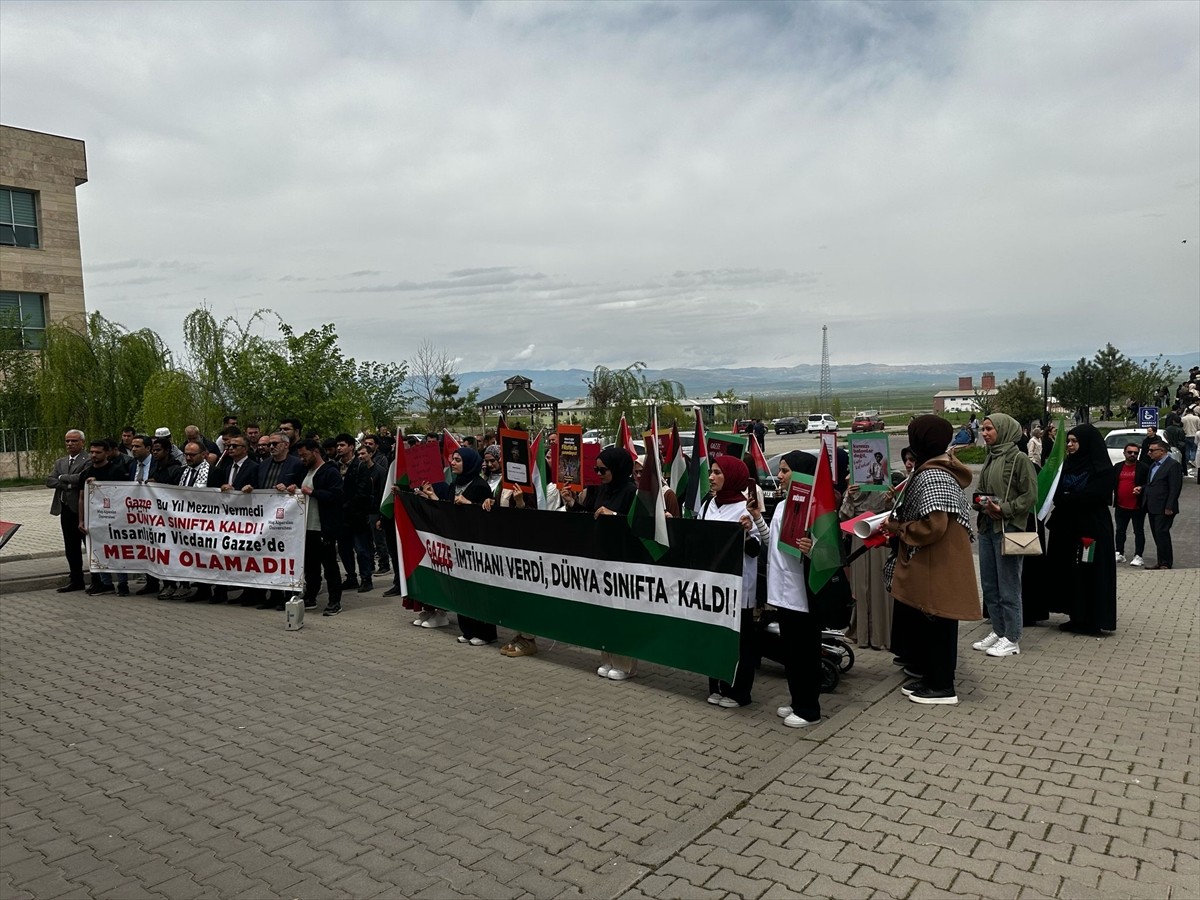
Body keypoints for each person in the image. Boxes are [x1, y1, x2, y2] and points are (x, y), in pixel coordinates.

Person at [881, 416, 980, 705]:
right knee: (934, 623)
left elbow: (933, 526)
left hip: (938, 564)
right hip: (939, 563)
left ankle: (941, 687)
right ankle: (932, 676)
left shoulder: (932, 475)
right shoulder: (938, 469)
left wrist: (900, 529)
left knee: (938, 623)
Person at [562, 446, 640, 680]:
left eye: (603, 469)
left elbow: (638, 525)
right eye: (596, 469)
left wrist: (614, 517)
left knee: (621, 612)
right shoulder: (601, 489)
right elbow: (589, 516)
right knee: (603, 611)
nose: (599, 474)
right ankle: (607, 657)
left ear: (617, 468)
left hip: (622, 559)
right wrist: (572, 503)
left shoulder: (631, 492)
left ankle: (625, 663)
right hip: (601, 557)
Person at [759, 451, 823, 727]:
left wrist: (814, 550)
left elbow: (831, 549)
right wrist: (757, 521)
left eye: (785, 470)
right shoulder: (787, 504)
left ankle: (810, 709)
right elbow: (774, 542)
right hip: (782, 593)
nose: (780, 475)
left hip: (802, 594)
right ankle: (797, 700)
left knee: (805, 653)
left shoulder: (816, 506)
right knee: (791, 653)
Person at [698, 455, 762, 709]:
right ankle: (716, 684)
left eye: (717, 473)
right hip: (712, 586)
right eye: (711, 472)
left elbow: (756, 549)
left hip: (738, 589)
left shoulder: (744, 509)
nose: (711, 478)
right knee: (715, 637)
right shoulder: (708, 505)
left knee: (739, 642)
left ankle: (739, 692)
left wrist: (745, 535)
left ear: (732, 477)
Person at [971, 414, 1037, 659]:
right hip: (988, 528)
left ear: (1004, 430)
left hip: (1009, 531)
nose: (985, 433)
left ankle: (1012, 637)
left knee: (1009, 587)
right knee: (990, 586)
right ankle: (999, 631)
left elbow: (1030, 496)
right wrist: (980, 503)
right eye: (984, 429)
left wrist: (1005, 509)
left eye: (989, 429)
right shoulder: (991, 457)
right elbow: (980, 491)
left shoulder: (1018, 458)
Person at [416, 447, 495, 641]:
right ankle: (468, 630)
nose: (453, 463)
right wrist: (432, 497)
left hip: (475, 546)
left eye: (458, 460)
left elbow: (486, 515)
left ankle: (485, 633)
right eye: (452, 459)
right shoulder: (455, 484)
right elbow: (449, 510)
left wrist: (469, 504)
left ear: (468, 463)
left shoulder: (479, 485)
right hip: (457, 545)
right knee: (462, 588)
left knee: (477, 590)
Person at [1045, 424, 1116, 634]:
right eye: (1069, 441)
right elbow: (1057, 493)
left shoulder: (1101, 468)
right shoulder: (1067, 465)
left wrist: (1069, 498)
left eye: (1074, 441)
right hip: (1067, 527)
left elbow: (1094, 496)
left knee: (1089, 568)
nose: (1070, 445)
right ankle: (1075, 615)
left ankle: (1093, 619)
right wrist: (1067, 498)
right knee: (1070, 570)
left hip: (1091, 529)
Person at [292, 439, 344, 615]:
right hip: (306, 527)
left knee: (329, 566)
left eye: (304, 455)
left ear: (315, 452)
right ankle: (311, 596)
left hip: (323, 527)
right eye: (300, 456)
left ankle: (334, 601)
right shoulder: (305, 472)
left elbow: (336, 496)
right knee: (310, 566)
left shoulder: (330, 472)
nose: (302, 459)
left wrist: (313, 493)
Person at [45, 430, 89, 592]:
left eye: (74, 441)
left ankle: (99, 578)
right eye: (67, 441)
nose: (70, 444)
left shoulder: (88, 460)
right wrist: (67, 483)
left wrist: (62, 478)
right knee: (71, 546)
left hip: (83, 509)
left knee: (89, 544)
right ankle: (76, 579)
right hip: (65, 508)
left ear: (82, 442)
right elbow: (49, 480)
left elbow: (81, 478)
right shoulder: (60, 462)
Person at [1142, 438, 1182, 570]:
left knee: (1162, 533)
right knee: (1156, 534)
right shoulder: (1154, 465)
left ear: (1162, 451)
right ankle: (1160, 561)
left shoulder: (1172, 465)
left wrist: (1169, 506)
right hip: (1152, 505)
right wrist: (1142, 489)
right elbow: (1152, 484)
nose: (1149, 453)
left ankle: (1166, 562)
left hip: (1164, 507)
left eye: (1152, 450)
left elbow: (1175, 488)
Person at [1112, 443, 1148, 568]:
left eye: (1135, 453)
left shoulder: (1143, 468)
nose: (1132, 455)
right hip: (1121, 505)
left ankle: (1138, 555)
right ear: (1124, 453)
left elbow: (1148, 484)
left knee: (1138, 531)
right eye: (1130, 452)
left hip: (1137, 507)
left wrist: (1141, 488)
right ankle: (1119, 552)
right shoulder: (1118, 467)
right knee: (1120, 530)